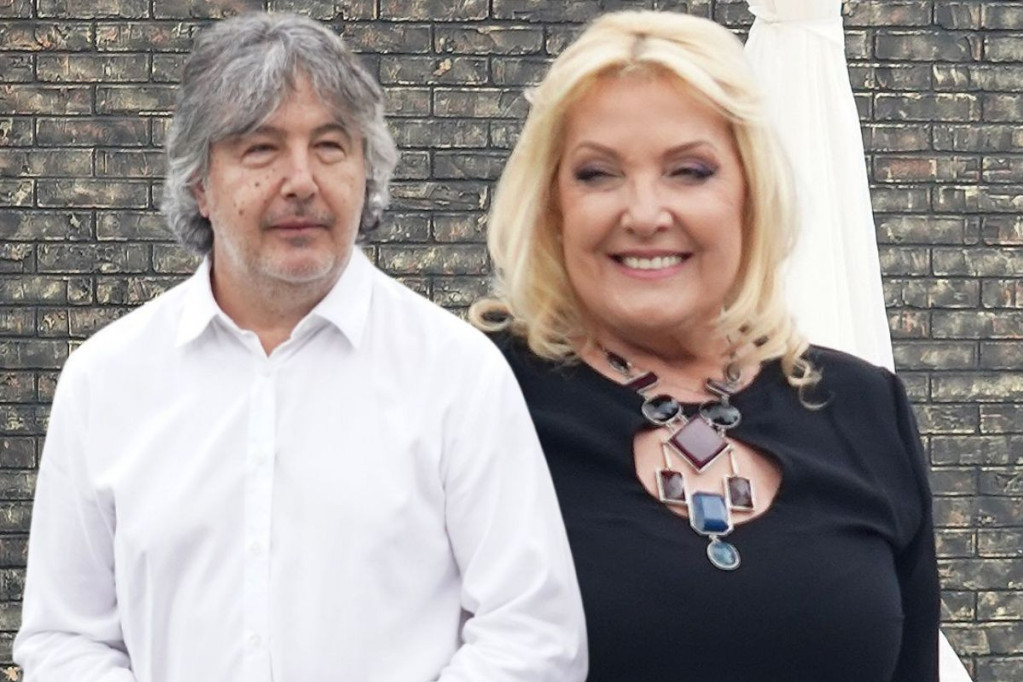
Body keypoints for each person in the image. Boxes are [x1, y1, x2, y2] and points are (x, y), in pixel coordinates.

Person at [14, 12, 587, 682]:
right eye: (261, 148)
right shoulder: (105, 380)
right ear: (199, 184)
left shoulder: (458, 375)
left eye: (330, 146)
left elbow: (532, 634)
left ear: (366, 172)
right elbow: (64, 639)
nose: (302, 181)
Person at [471, 10, 939, 682]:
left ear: (751, 191)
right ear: (551, 206)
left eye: (688, 171)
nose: (643, 213)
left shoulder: (864, 407)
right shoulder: (474, 397)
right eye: (597, 174)